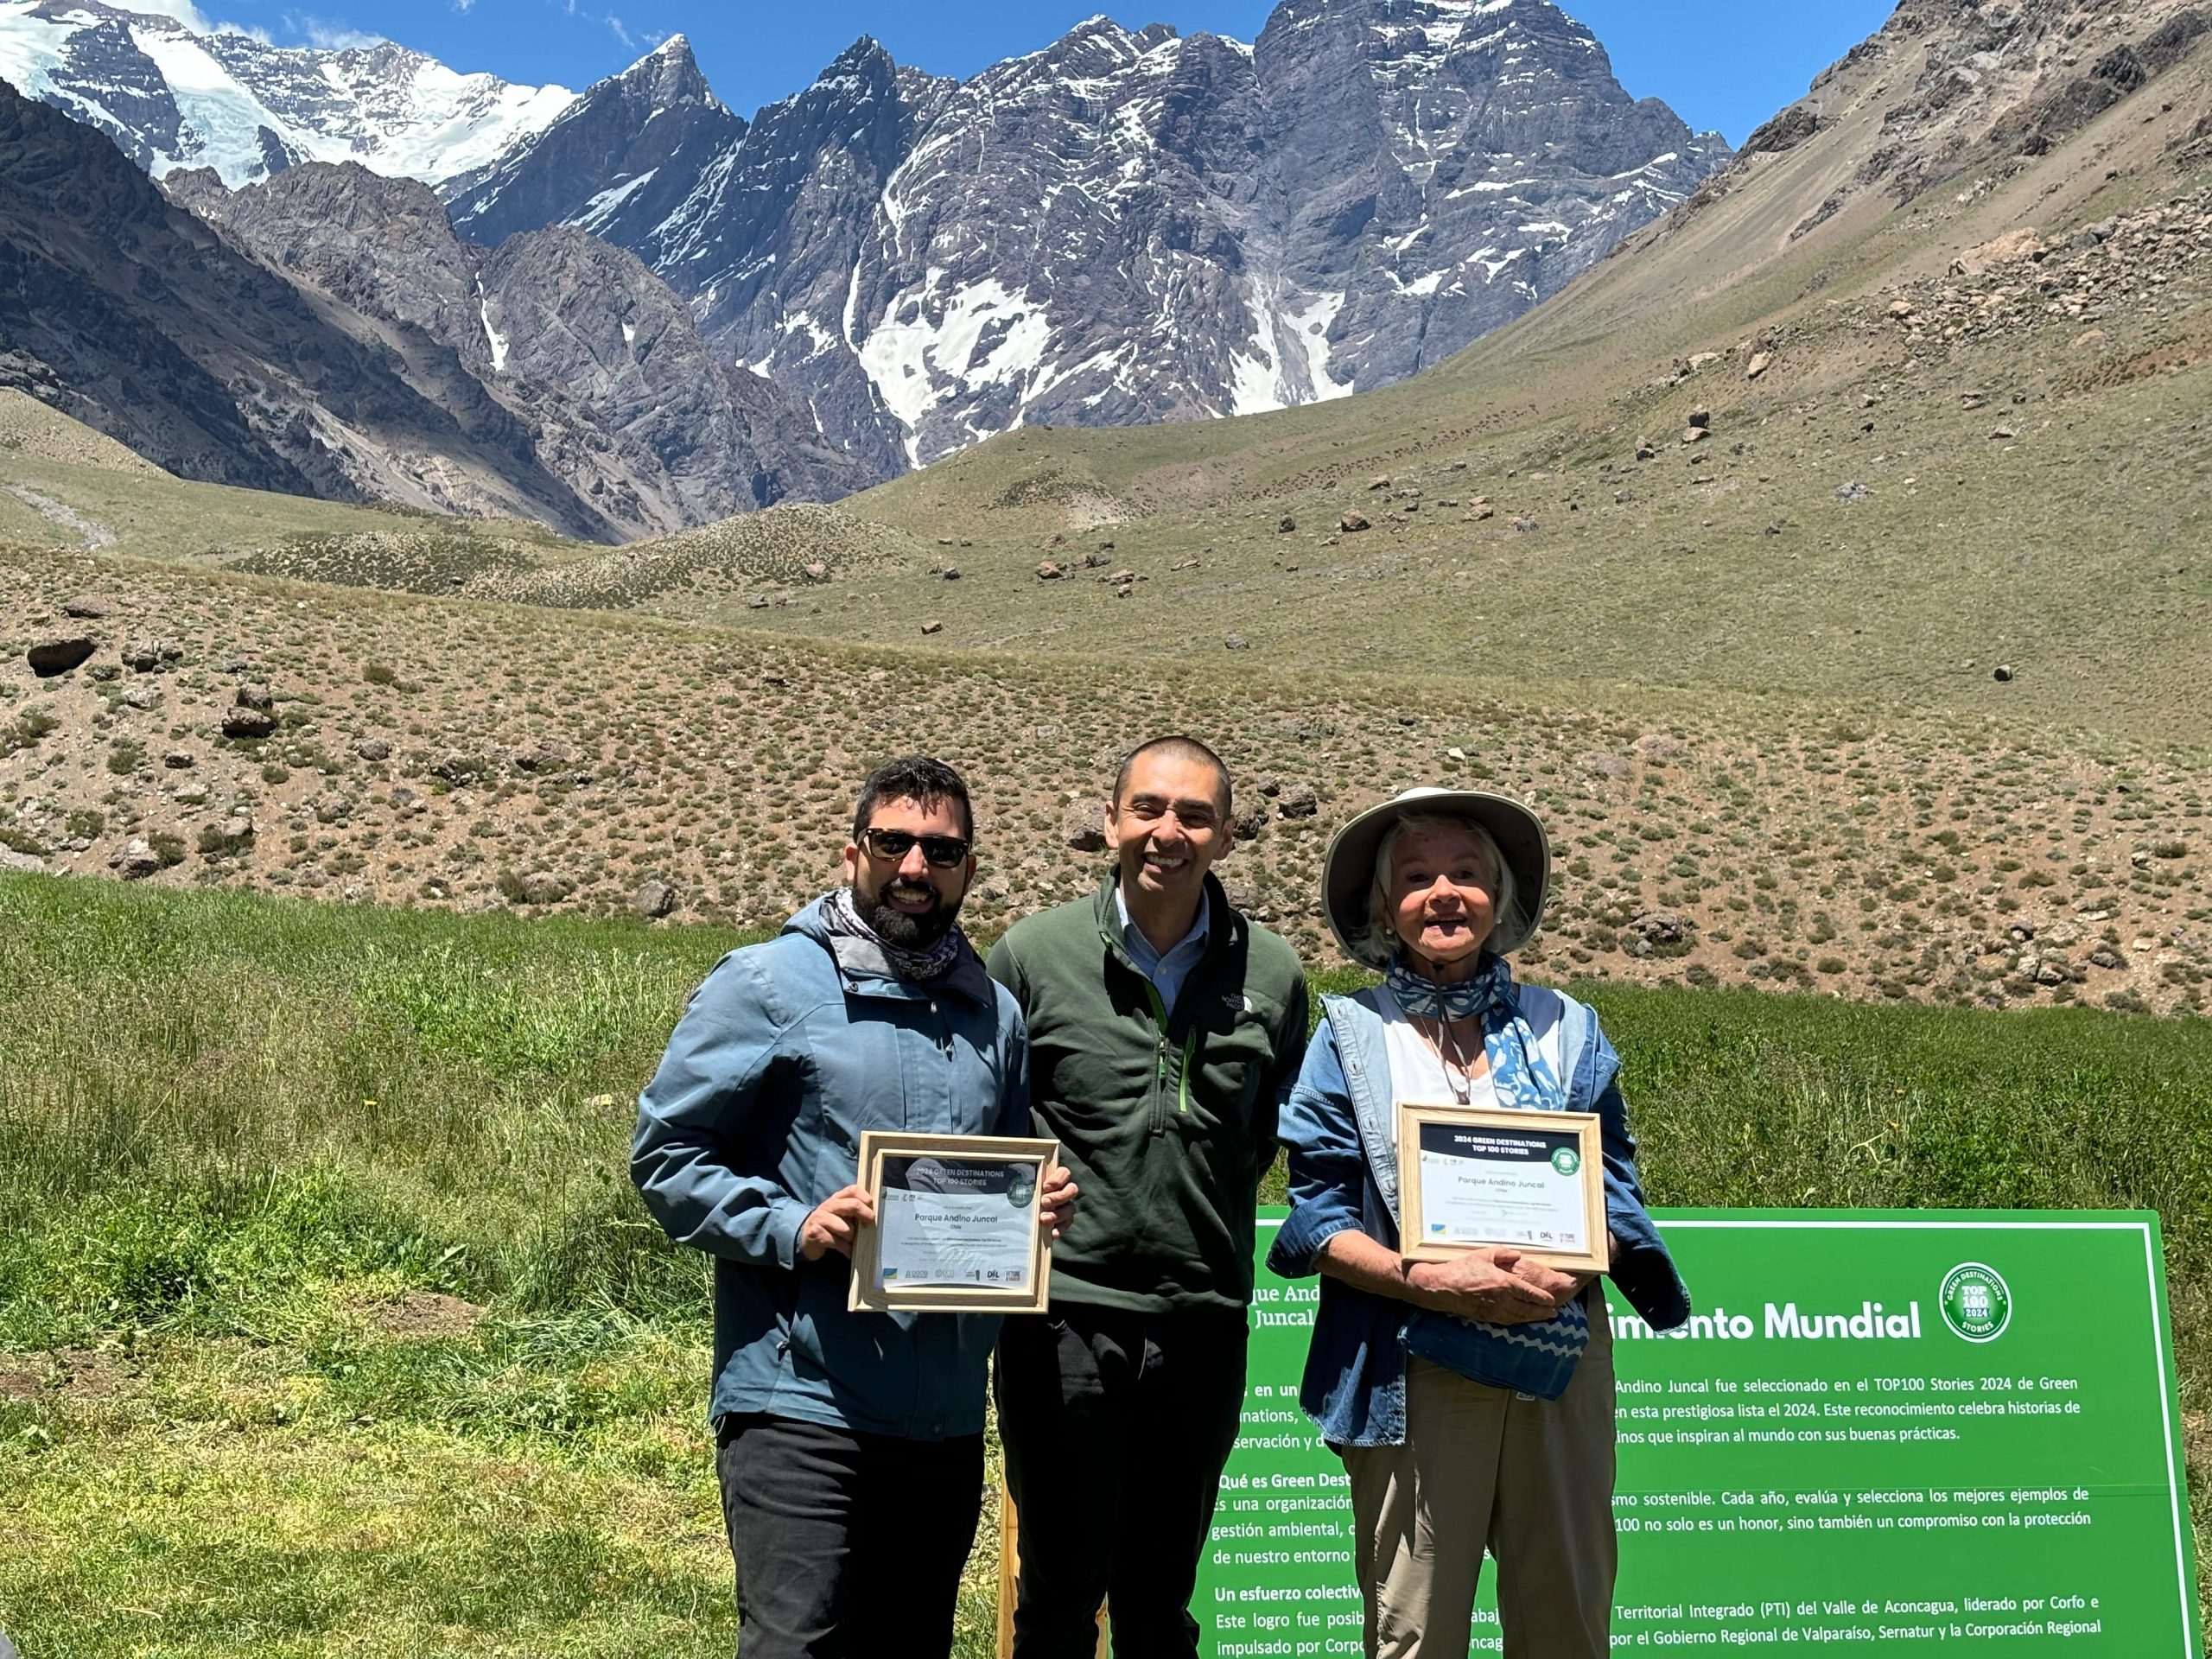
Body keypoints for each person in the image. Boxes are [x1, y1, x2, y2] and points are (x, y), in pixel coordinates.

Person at [632, 755, 1076, 1659]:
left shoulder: (992, 1013)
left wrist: (1033, 1211)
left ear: (969, 870)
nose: (915, 867)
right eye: (894, 842)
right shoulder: (766, 984)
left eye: (941, 850)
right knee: (797, 1646)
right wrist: (793, 1226)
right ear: (853, 852)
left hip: (943, 1417)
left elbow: (989, 1175)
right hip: (803, 1403)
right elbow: (666, 1155)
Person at [1268, 787, 1690, 1659]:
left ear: (1499, 898)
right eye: (1416, 877)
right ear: (1385, 907)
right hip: (1411, 1363)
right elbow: (1318, 1212)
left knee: (1565, 1618)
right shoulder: (1349, 1035)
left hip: (1556, 1355)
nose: (1443, 893)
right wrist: (1430, 1278)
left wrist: (1575, 1264)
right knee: (1416, 1629)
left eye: (1465, 873)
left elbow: (1613, 1182)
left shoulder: (1566, 1027)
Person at [986, 734, 1310, 1658]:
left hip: (1202, 1318)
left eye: (1194, 815)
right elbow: (990, 1118)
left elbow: (1261, 1135)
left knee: (1160, 1599)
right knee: (1057, 1594)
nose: (1168, 832)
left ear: (1227, 836)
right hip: (1063, 1318)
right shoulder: (1032, 955)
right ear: (1111, 822)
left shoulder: (1273, 974)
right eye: (1149, 810)